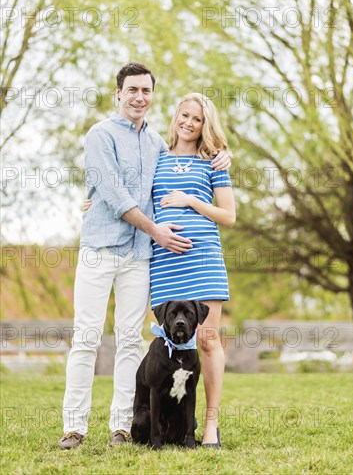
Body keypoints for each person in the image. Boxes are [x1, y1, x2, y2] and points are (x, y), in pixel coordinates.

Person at [59, 62, 230, 450]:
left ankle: (122, 426)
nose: (139, 97)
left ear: (152, 97)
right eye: (131, 90)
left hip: (140, 256)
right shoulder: (99, 135)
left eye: (145, 91)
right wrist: (96, 201)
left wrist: (224, 155)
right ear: (118, 93)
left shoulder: (157, 144)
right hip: (102, 248)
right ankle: (74, 428)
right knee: (86, 336)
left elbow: (195, 157)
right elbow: (116, 194)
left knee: (131, 343)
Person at [150, 93, 235, 446]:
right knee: (166, 341)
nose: (188, 122)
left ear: (205, 125)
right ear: (175, 117)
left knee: (207, 340)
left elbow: (229, 216)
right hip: (165, 262)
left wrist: (191, 200)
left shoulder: (214, 162)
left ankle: (210, 426)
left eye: (197, 119)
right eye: (184, 115)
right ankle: (164, 425)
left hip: (203, 261)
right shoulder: (155, 157)